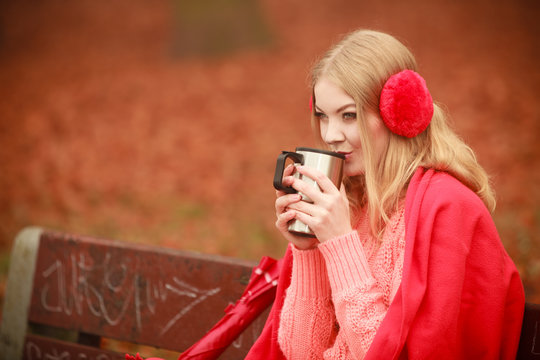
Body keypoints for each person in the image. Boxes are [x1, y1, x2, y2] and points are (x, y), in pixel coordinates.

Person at [246, 29, 525, 359]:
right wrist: (307, 250)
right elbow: (300, 352)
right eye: (323, 116)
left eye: (348, 115)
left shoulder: (446, 210)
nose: (331, 134)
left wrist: (340, 244)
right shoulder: (346, 201)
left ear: (400, 111)